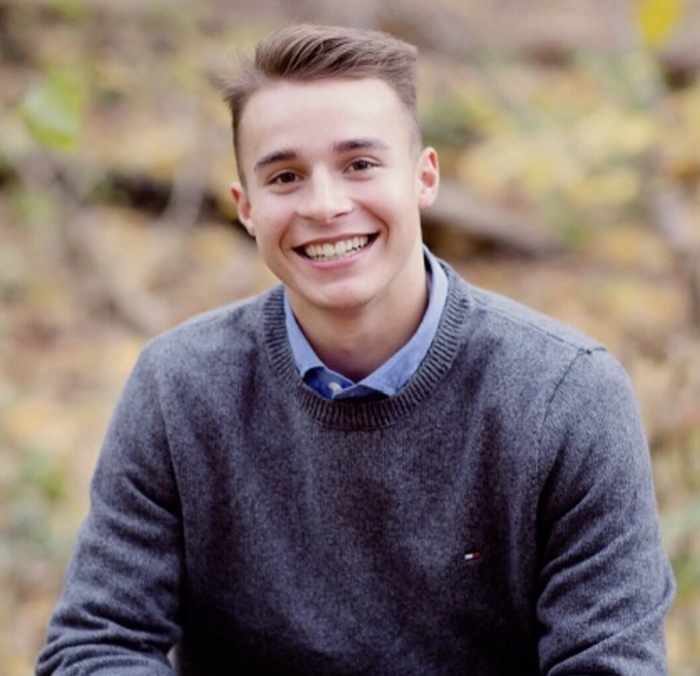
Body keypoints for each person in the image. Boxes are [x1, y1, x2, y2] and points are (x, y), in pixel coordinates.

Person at [36, 24, 674, 676]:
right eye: (285, 176)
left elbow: (611, 664)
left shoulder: (566, 394)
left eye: (360, 165)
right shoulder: (179, 388)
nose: (326, 204)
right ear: (246, 207)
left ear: (424, 178)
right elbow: (95, 646)